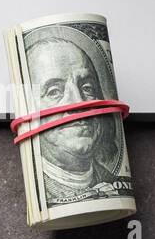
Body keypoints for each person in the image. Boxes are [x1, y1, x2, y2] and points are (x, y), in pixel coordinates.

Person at [26, 38, 119, 197]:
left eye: (87, 88)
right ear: (27, 107)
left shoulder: (113, 182)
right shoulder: (38, 191)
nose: (79, 102)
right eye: (54, 91)